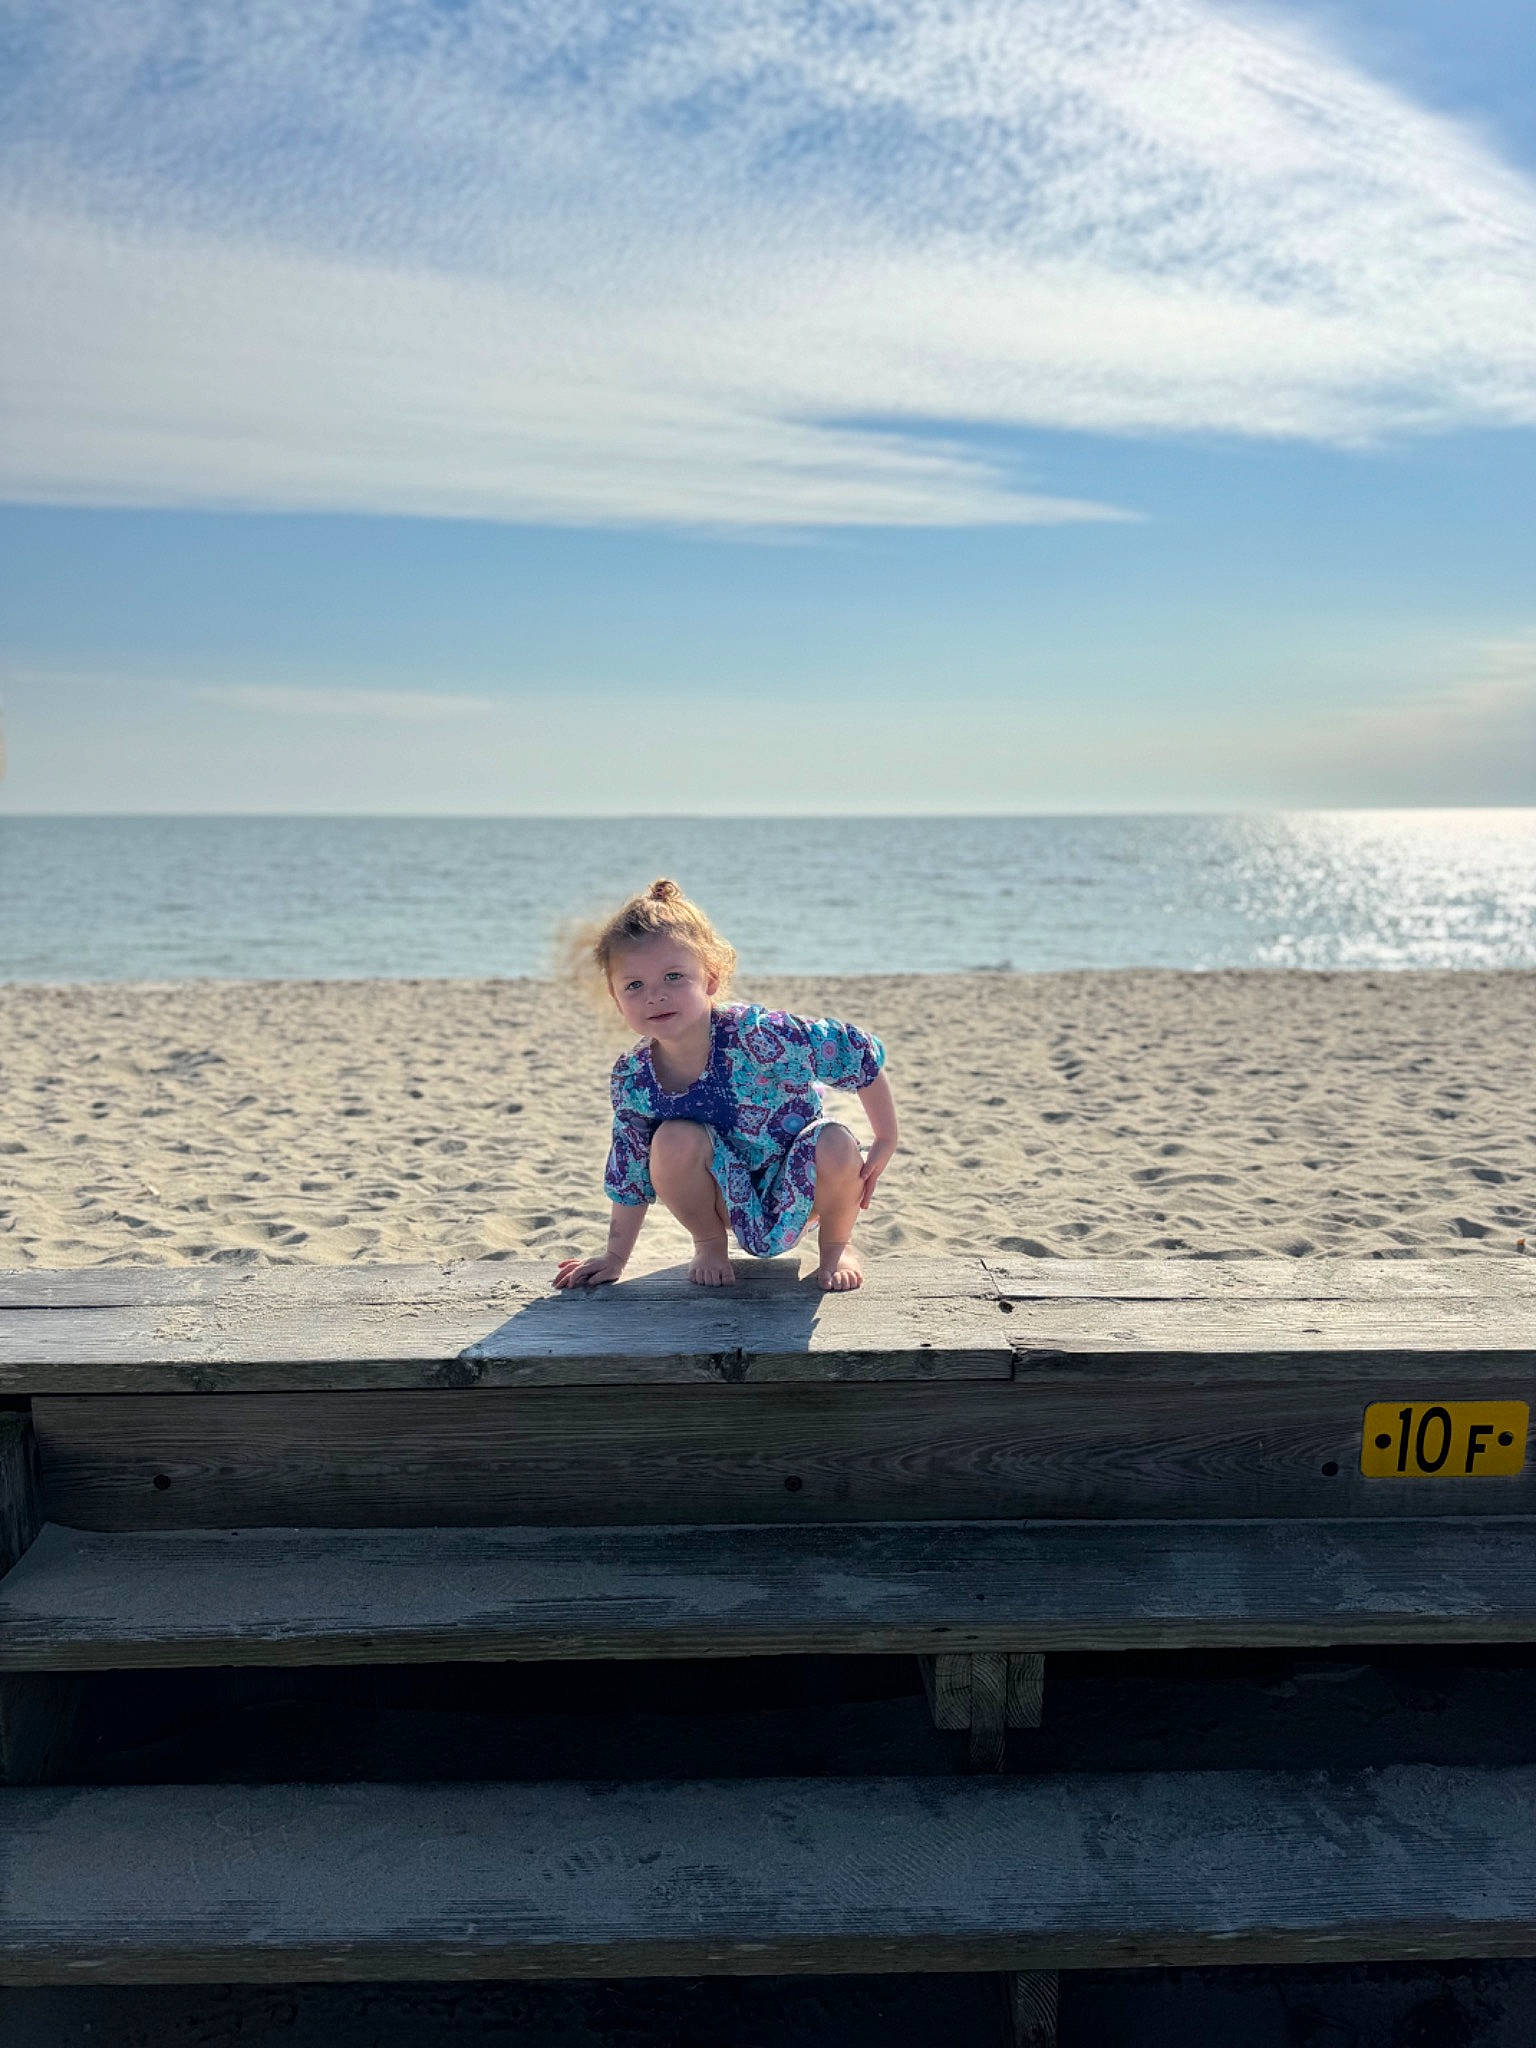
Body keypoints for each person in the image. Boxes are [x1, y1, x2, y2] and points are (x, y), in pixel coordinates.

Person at [554, 878, 899, 1292]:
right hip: (724, 1200)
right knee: (672, 1139)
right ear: (616, 998)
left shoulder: (759, 1034)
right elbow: (630, 1169)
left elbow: (851, 1051)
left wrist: (886, 1135)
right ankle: (709, 1245)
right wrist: (615, 1257)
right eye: (634, 985)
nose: (655, 996)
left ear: (711, 979)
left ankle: (837, 1245)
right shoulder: (635, 1077)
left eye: (674, 977)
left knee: (836, 1141)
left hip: (801, 1184)